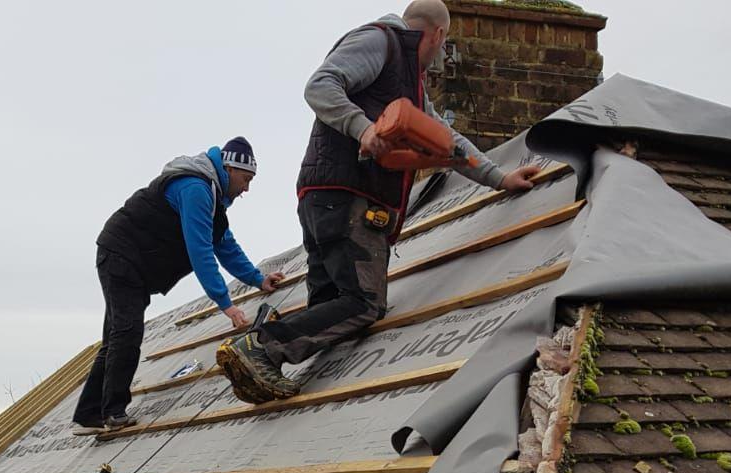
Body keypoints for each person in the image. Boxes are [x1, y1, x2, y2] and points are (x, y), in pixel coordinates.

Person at [218, 1, 549, 404]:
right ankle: (263, 345)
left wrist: (499, 176)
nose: (439, 59)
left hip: (325, 199)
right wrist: (363, 128)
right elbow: (320, 85)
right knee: (363, 304)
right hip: (350, 200)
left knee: (329, 310)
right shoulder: (382, 42)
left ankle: (265, 353)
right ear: (439, 35)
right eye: (443, 47)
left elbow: (444, 141)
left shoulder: (408, 83)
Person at [71, 138, 286, 434]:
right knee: (127, 333)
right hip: (122, 255)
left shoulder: (212, 199)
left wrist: (257, 279)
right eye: (246, 179)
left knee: (117, 335)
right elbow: (200, 251)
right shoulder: (196, 189)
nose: (247, 189)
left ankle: (87, 415)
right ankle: (113, 412)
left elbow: (223, 244)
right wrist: (226, 305)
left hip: (131, 262)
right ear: (228, 168)